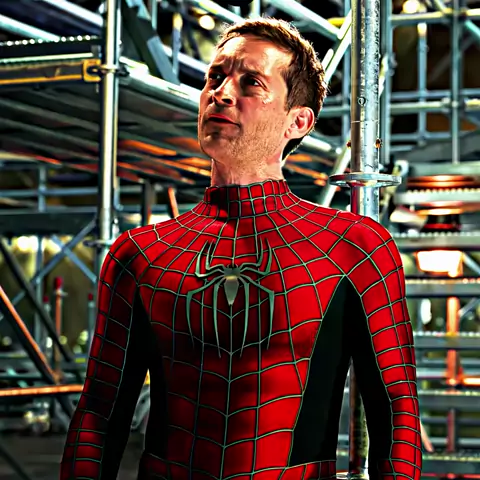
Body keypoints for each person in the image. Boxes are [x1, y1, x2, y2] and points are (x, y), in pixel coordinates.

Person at [60, 17, 422, 480]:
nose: (221, 93)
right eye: (215, 77)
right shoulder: (138, 254)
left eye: (251, 82)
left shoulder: (355, 247)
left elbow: (397, 410)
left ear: (298, 121)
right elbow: (98, 414)